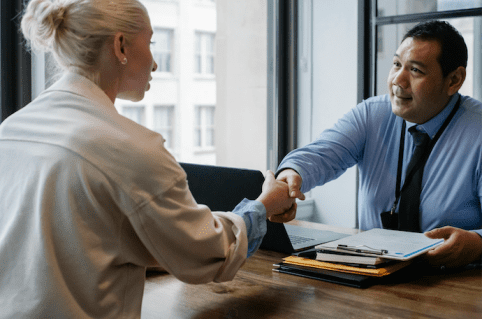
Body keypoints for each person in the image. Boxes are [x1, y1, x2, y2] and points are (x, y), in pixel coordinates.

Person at [0, 0, 296, 318]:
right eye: (151, 42)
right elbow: (208, 254)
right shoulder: (130, 147)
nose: (155, 64)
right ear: (120, 45)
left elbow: (70, 246)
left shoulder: (11, 130)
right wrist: (265, 204)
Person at [277, 20, 482, 269]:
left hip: (455, 286)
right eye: (396, 65)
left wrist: (477, 243)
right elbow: (320, 155)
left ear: (454, 80)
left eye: (415, 70)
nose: (398, 80)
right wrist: (290, 176)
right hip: (374, 279)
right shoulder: (372, 114)